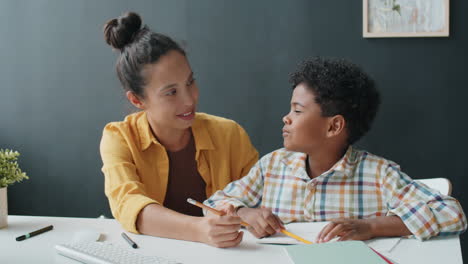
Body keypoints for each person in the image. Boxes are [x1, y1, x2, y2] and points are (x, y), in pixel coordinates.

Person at [205, 57, 467, 242]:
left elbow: (452, 214)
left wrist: (371, 227)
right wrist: (245, 213)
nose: (286, 118)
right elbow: (212, 204)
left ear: (334, 126)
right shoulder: (272, 166)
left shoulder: (379, 174)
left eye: (297, 111)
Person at [100, 12, 258, 248]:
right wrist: (200, 230)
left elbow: (261, 198)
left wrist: (245, 211)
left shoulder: (230, 134)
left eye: (190, 82)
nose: (189, 99)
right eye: (171, 92)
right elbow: (128, 204)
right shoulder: (119, 138)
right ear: (137, 100)